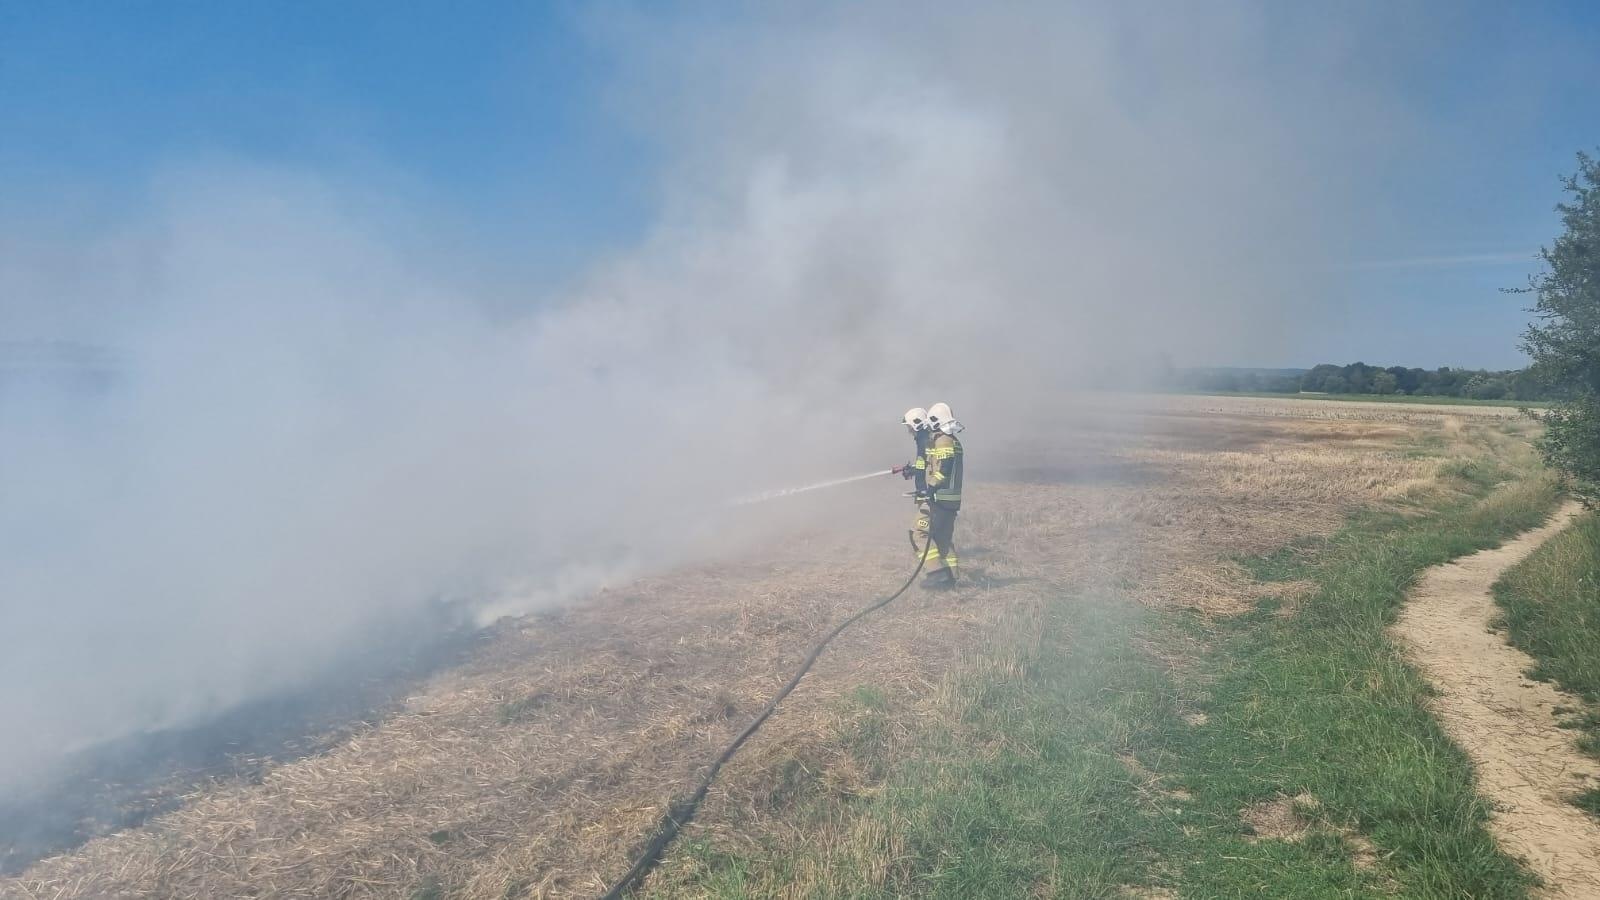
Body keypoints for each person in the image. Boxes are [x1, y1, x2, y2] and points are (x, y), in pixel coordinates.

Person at [921, 402, 964, 587]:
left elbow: (944, 468)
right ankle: (952, 579)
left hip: (942, 497)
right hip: (952, 499)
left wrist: (930, 487)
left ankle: (936, 573)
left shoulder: (943, 440)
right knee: (944, 540)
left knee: (920, 532)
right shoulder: (953, 440)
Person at [900, 408, 931, 556]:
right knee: (927, 534)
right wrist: (911, 470)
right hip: (926, 494)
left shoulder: (925, 440)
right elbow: (923, 464)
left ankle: (937, 573)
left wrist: (925, 490)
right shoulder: (923, 439)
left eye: (909, 427)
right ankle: (943, 573)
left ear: (917, 424)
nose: (909, 431)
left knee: (918, 533)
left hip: (928, 496)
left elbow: (928, 466)